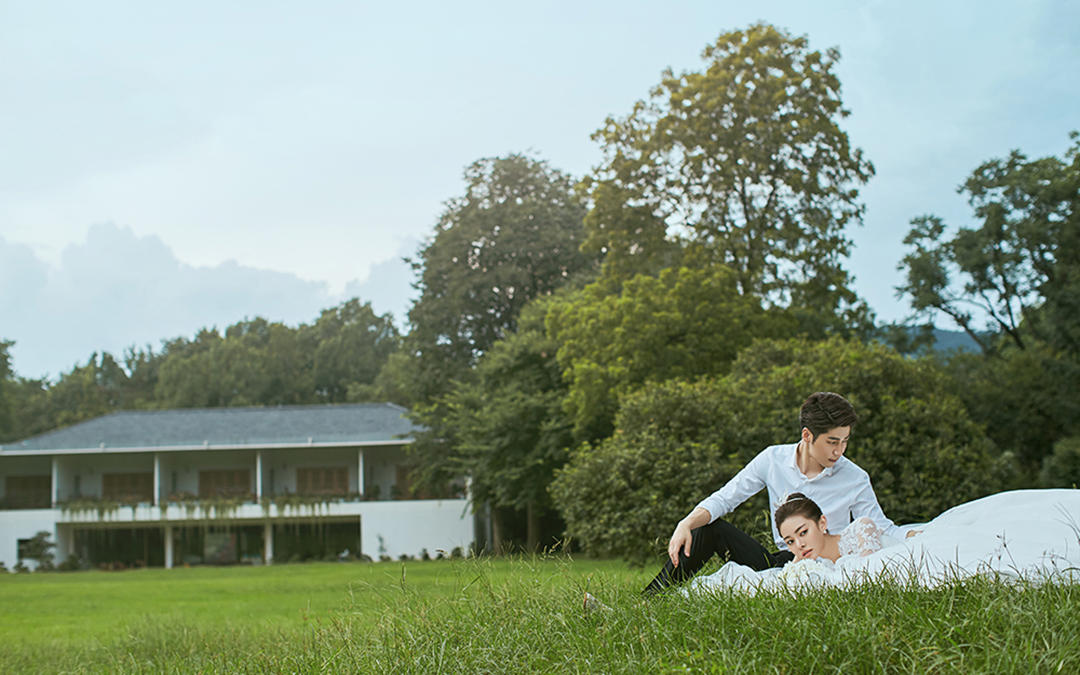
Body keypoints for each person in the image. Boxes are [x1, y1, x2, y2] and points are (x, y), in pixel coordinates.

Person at [643, 391, 912, 594]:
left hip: (829, 566)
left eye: (845, 441)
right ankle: (653, 597)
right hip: (784, 560)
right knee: (709, 528)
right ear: (807, 435)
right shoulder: (772, 459)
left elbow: (880, 527)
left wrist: (914, 535)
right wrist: (686, 523)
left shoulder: (855, 477)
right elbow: (726, 497)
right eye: (832, 442)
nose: (839, 451)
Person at [774, 492, 885, 562]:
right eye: (790, 541)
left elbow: (871, 570)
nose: (799, 545)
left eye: (803, 532)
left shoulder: (860, 529)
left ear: (822, 523)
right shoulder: (811, 562)